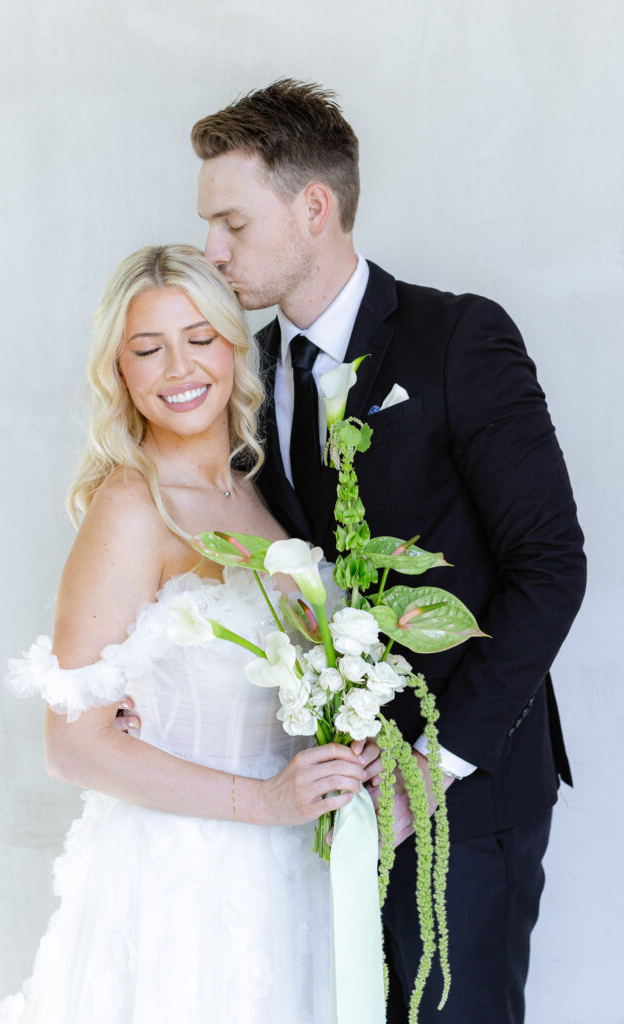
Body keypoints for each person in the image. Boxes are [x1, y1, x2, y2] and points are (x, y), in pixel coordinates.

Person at [188, 79, 587, 1023]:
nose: (213, 251)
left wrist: (430, 767)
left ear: (313, 208)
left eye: (233, 224)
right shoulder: (233, 373)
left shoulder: (459, 338)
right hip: (311, 803)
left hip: (464, 794)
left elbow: (549, 566)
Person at [0, 244, 370, 1024]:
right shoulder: (132, 508)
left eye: (199, 337)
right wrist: (263, 802)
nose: (178, 367)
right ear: (119, 372)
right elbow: (72, 745)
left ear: (235, 345)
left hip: (291, 871)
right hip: (182, 885)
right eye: (146, 348)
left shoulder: (261, 490)